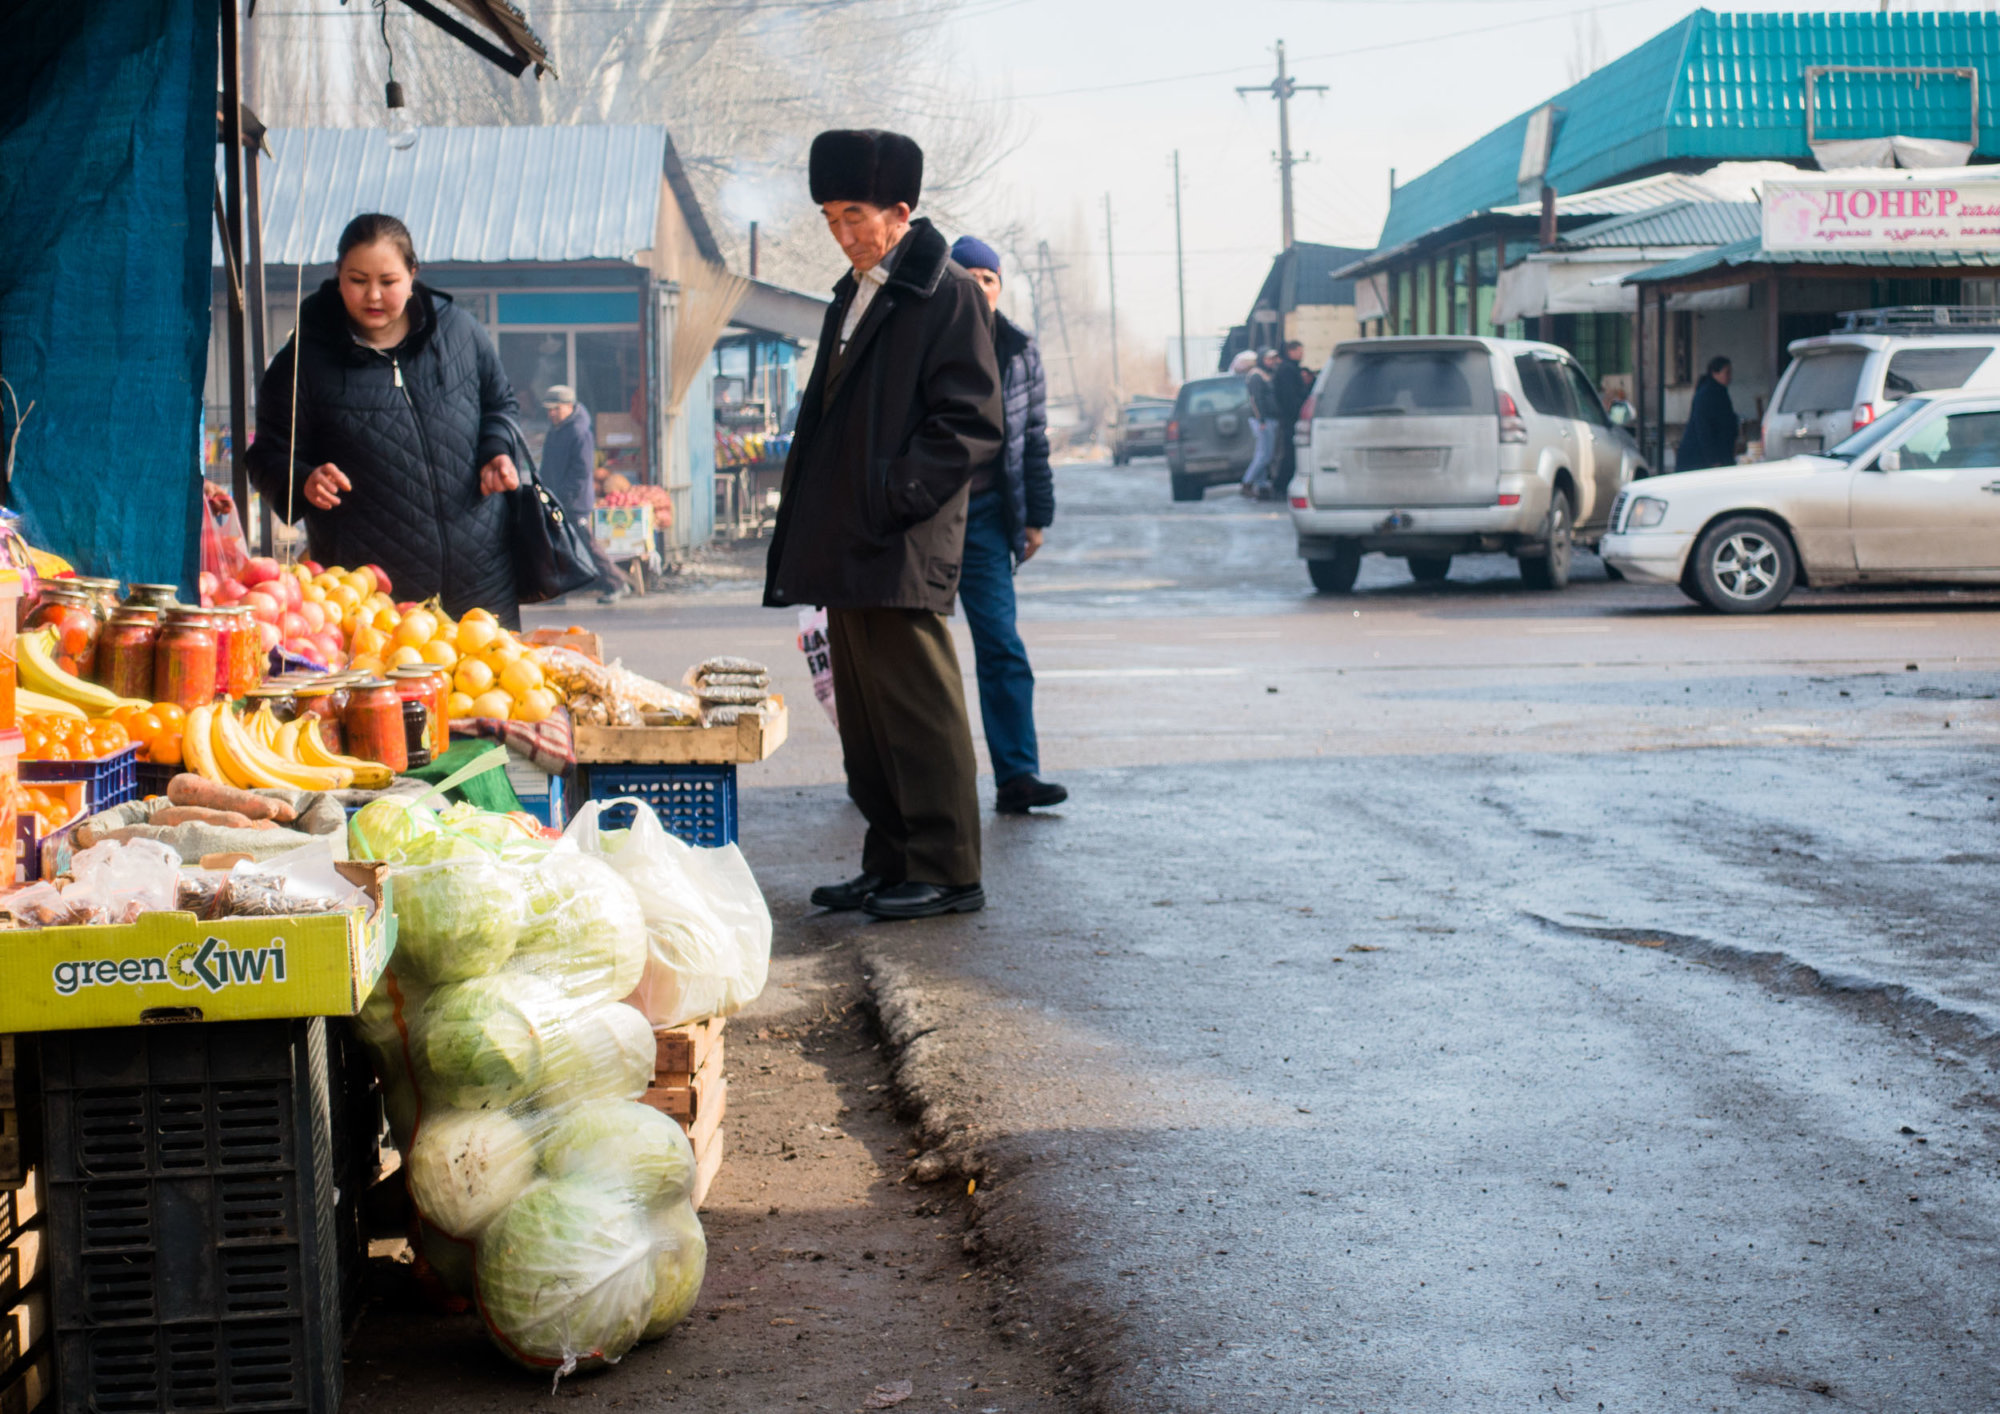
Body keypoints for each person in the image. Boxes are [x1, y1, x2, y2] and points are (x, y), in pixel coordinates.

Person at [763, 129, 1003, 921]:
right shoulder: (856, 289)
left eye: (855, 216)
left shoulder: (947, 293)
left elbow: (969, 423)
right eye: (830, 218)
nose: (843, 234)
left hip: (899, 536)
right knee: (865, 718)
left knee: (918, 711)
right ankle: (892, 856)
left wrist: (889, 496)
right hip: (851, 535)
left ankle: (945, 867)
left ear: (901, 212)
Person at [247, 212, 523, 625]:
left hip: (482, 582)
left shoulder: (460, 333)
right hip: (372, 602)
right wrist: (303, 479)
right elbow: (267, 455)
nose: (373, 295)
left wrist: (498, 450)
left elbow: (500, 404)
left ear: (412, 275)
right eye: (358, 280)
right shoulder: (303, 362)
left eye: (388, 282)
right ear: (339, 275)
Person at [947, 234, 1067, 815]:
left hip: (988, 517)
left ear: (999, 287)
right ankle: (904, 782)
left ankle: (1018, 773)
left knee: (1001, 646)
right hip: (921, 520)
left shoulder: (1019, 350)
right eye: (964, 277)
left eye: (986, 278)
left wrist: (1036, 518)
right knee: (912, 657)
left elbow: (1033, 439)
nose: (977, 287)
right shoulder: (921, 340)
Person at [539, 385, 629, 605]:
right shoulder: (556, 430)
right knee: (558, 546)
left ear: (569, 407)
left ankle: (617, 582)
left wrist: (564, 498)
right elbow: (547, 465)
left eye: (556, 409)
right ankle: (560, 591)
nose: (552, 414)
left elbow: (581, 472)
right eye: (549, 410)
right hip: (555, 498)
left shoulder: (579, 432)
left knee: (588, 544)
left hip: (574, 501)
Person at [1676, 355, 1740, 472]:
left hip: (1719, 453)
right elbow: (1703, 428)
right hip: (1701, 458)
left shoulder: (1719, 391)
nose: (1730, 377)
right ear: (1715, 373)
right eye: (1727, 373)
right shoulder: (1706, 394)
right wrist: (1713, 459)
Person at [1266, 339, 1312, 498]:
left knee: (1290, 452)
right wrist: (1298, 411)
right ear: (1291, 352)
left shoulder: (1288, 369)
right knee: (1290, 453)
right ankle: (1281, 485)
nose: (1302, 354)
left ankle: (1281, 484)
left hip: (1290, 417)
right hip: (1290, 418)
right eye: (1299, 351)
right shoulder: (1287, 370)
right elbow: (1289, 397)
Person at [1239, 348, 1280, 497]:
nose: (1271, 362)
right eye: (1268, 359)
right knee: (1264, 455)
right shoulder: (1256, 376)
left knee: (1266, 454)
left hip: (1269, 418)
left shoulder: (1267, 375)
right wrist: (1261, 419)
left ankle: (1261, 485)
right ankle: (1247, 482)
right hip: (1262, 420)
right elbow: (1256, 399)